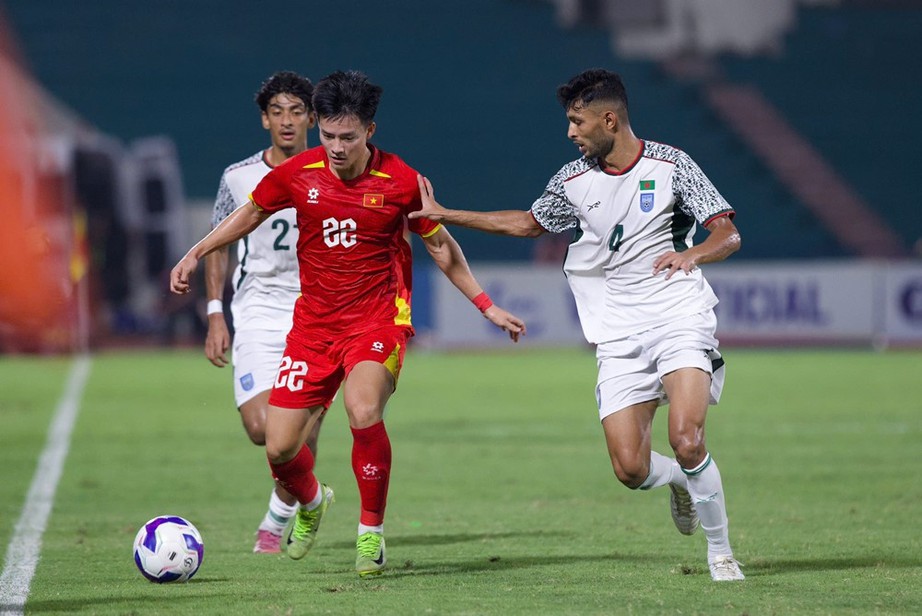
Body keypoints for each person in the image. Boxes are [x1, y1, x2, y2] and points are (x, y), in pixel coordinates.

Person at [171, 70, 526, 577]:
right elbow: (249, 215)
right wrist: (196, 251)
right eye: (329, 136)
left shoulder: (401, 180)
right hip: (313, 327)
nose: (335, 148)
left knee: (362, 409)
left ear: (370, 132)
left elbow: (440, 247)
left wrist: (485, 304)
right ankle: (313, 501)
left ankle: (370, 533)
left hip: (377, 319)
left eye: (347, 137)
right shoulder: (299, 172)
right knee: (277, 444)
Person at [410, 68, 745, 582]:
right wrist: (445, 213)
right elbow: (527, 223)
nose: (571, 132)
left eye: (577, 121)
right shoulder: (572, 181)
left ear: (609, 119)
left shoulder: (671, 164)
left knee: (687, 436)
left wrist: (693, 255)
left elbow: (727, 233)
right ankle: (681, 482)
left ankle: (721, 553)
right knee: (630, 469)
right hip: (618, 328)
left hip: (679, 314)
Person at [204, 71, 321, 554]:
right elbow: (218, 243)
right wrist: (215, 312)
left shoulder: (334, 170)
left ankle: (277, 521)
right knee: (262, 430)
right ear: (264, 120)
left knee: (299, 431)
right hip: (256, 311)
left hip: (316, 314)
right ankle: (303, 502)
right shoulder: (238, 176)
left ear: (313, 118)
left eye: (297, 111)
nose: (288, 121)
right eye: (278, 112)